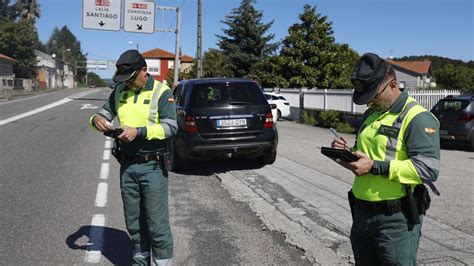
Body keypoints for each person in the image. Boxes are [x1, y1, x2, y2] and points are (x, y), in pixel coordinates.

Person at [331, 53, 440, 265]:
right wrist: (347, 152)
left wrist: (374, 167)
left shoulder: (418, 118)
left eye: (373, 95)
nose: (369, 102)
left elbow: (428, 169)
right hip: (362, 215)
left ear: (393, 85)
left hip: (396, 222)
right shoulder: (372, 114)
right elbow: (369, 154)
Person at [89, 49, 177, 265]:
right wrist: (96, 120)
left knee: (156, 223)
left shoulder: (161, 92)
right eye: (123, 79)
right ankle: (140, 261)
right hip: (127, 167)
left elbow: (171, 127)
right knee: (134, 222)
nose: (127, 83)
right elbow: (103, 113)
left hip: (153, 167)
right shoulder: (120, 90)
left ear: (144, 71)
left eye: (130, 78)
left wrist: (139, 131)